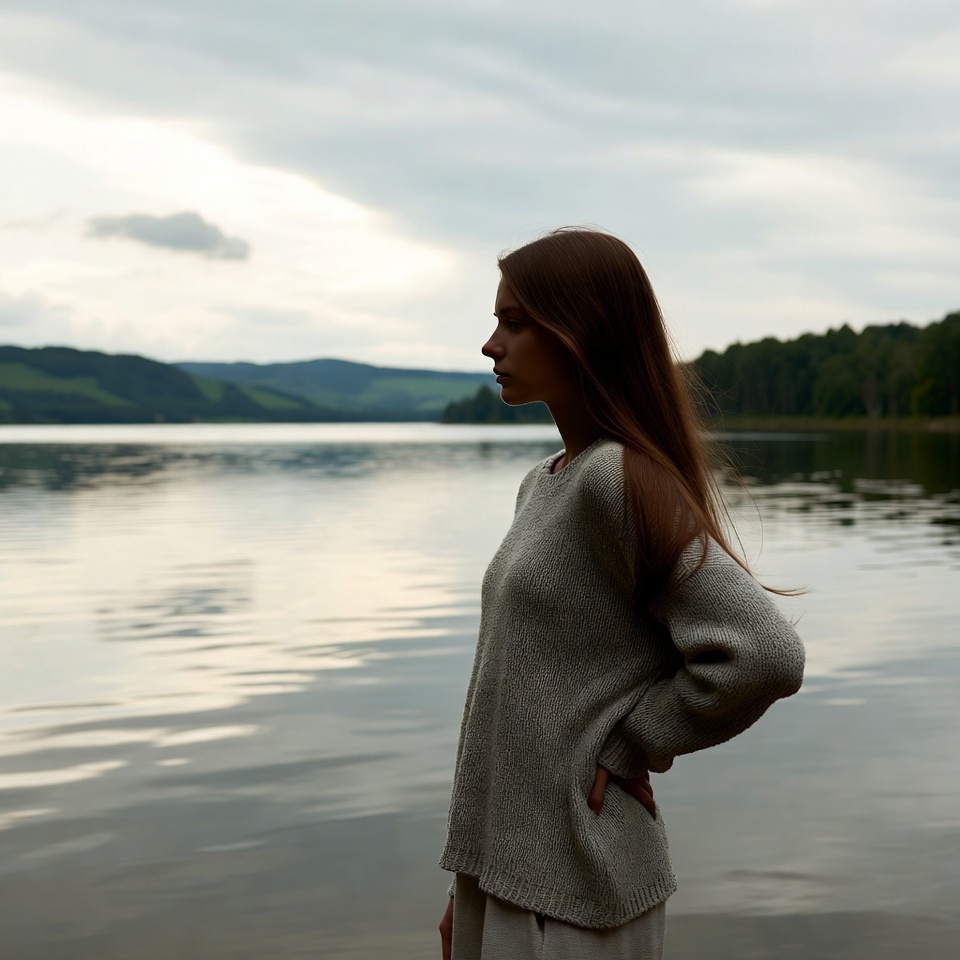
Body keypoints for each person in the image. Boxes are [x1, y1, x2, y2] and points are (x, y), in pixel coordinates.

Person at [438, 228, 805, 960]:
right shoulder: (545, 483)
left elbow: (764, 653)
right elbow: (518, 700)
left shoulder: (615, 478)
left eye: (514, 323)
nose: (490, 345)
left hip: (573, 893)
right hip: (507, 878)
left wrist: (636, 738)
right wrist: (466, 886)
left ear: (580, 334)